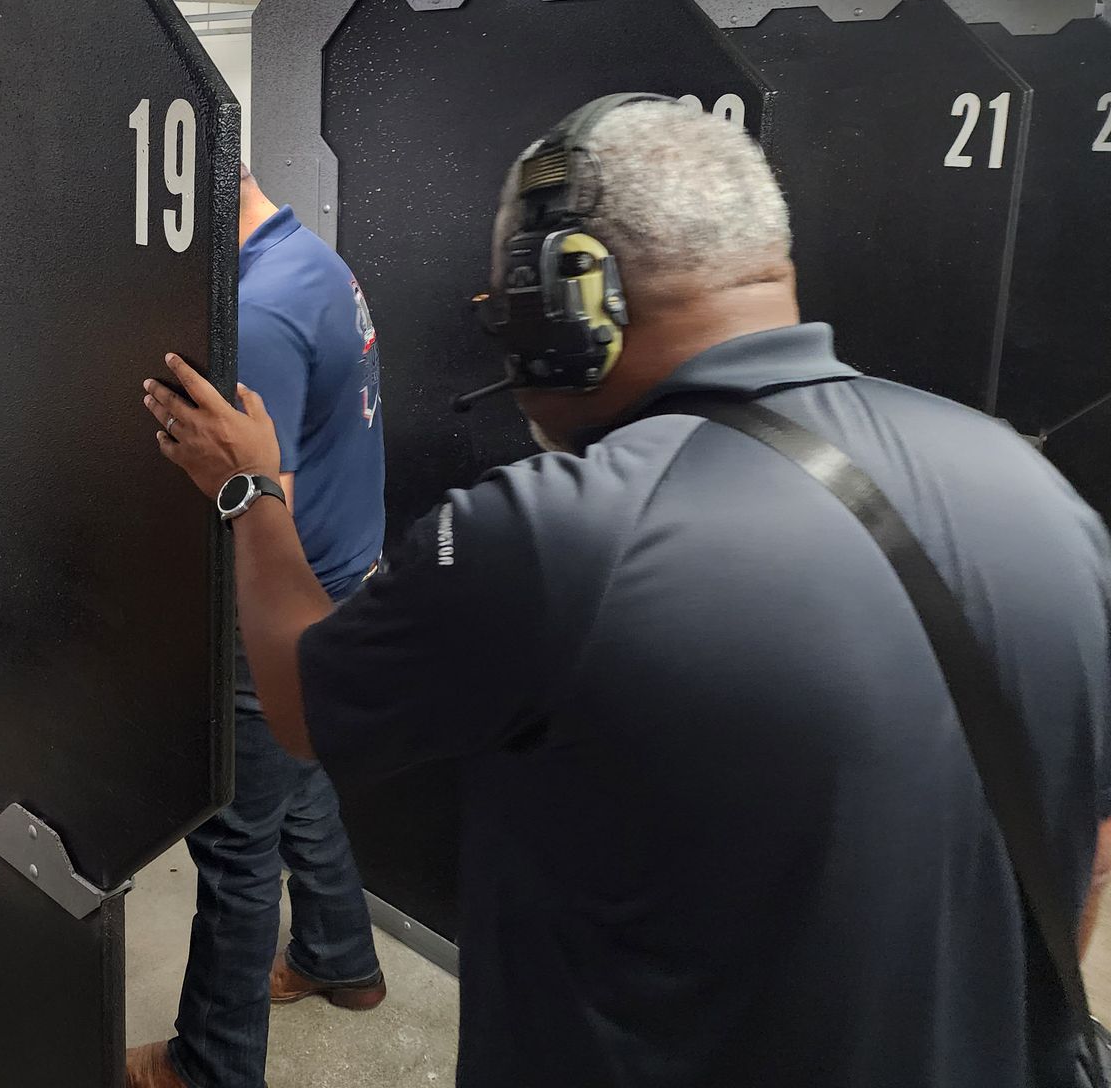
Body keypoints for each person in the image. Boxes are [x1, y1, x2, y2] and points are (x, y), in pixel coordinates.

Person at [142, 98, 1111, 1088]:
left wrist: (246, 488)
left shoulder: (560, 533)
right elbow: (1091, 841)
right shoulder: (1034, 491)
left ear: (565, 295)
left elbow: (304, 706)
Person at [128, 165, 386, 1088]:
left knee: (236, 839)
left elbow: (241, 495)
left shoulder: (255, 313)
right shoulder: (306, 257)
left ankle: (212, 1064)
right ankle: (340, 958)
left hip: (282, 593)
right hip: (340, 576)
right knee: (299, 783)